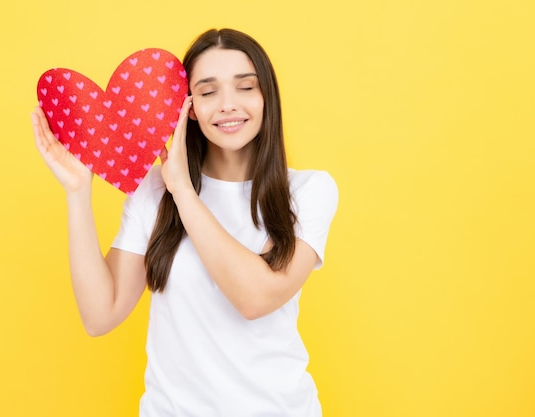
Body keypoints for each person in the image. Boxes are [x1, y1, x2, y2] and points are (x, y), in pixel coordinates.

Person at [31, 28, 338, 417]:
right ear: (187, 107)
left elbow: (255, 297)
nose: (227, 105)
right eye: (208, 92)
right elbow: (100, 315)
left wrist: (183, 191)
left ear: (266, 99)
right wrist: (77, 193)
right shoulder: (153, 191)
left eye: (245, 87)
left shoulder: (310, 190)